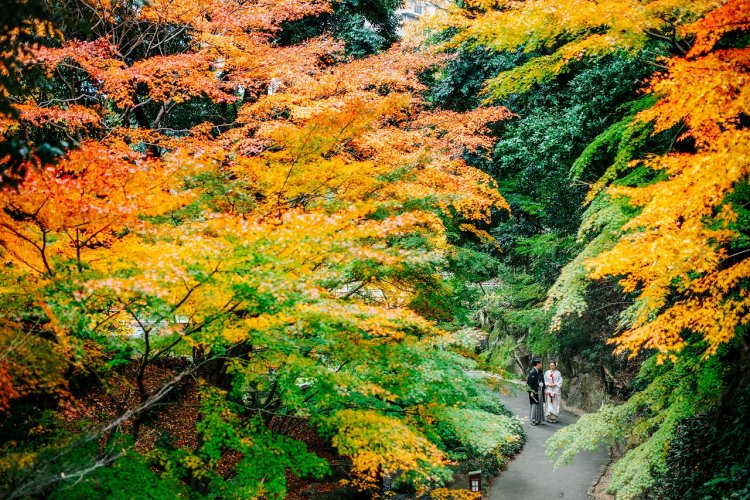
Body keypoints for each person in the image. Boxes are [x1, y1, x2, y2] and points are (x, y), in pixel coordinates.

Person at [526, 358, 545, 425]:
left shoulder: (539, 371)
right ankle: (533, 420)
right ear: (537, 364)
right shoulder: (532, 372)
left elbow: (541, 380)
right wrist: (531, 392)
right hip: (534, 391)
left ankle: (538, 420)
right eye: (541, 363)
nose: (541, 364)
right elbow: (529, 384)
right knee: (534, 405)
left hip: (539, 390)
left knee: (539, 405)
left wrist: (542, 385)